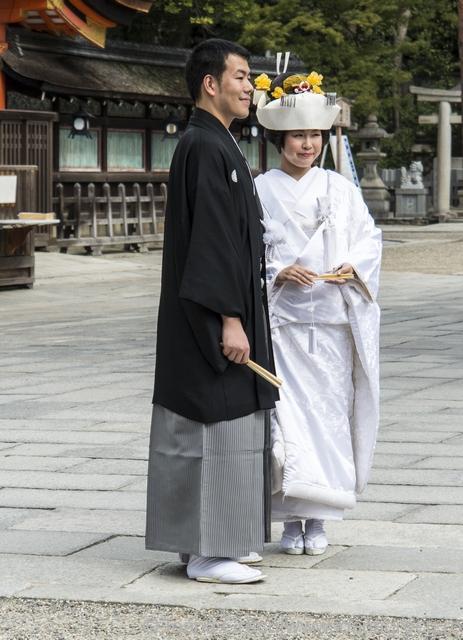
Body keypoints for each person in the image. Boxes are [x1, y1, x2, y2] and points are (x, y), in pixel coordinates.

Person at [145, 39, 278, 584]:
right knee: (211, 420)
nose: (250, 87)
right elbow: (213, 243)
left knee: (223, 421)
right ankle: (207, 550)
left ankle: (206, 539)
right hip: (209, 316)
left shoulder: (215, 144)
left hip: (218, 309)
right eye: (242, 76)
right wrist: (228, 317)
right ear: (211, 83)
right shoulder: (204, 146)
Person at [253, 69, 382, 555]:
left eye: (314, 135)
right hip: (284, 322)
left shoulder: (340, 188)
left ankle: (321, 518)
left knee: (328, 418)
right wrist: (279, 271)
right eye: (298, 136)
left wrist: (356, 264)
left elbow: (369, 237)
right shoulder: (261, 189)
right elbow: (250, 251)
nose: (307, 144)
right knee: (287, 422)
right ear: (279, 138)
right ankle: (290, 520)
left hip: (330, 322)